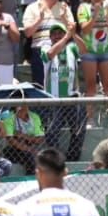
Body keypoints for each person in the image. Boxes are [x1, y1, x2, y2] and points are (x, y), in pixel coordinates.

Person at [42, 21, 88, 163]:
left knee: (79, 129)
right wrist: (66, 36)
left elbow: (84, 49)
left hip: (72, 97)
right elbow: (50, 54)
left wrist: (73, 34)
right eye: (54, 34)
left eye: (60, 33)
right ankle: (56, 161)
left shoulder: (72, 48)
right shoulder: (45, 47)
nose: (57, 36)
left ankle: (73, 159)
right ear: (50, 37)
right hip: (53, 98)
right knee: (52, 132)